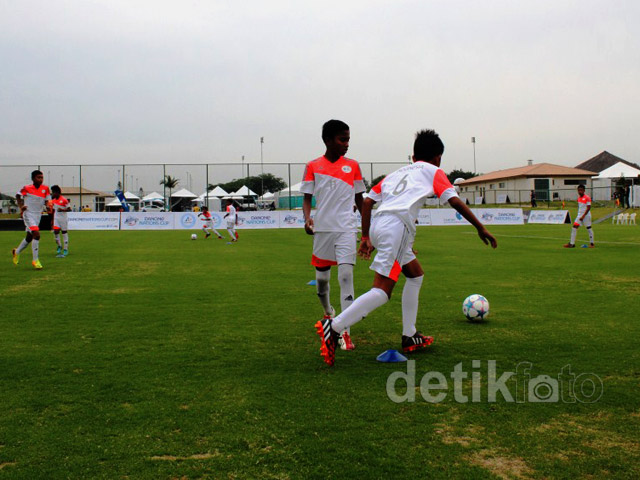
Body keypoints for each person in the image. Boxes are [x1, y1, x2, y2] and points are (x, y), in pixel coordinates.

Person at [315, 129, 498, 366]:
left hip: (382, 224)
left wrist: (367, 237)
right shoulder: (434, 171)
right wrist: (480, 227)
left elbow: (368, 201)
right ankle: (335, 326)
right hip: (397, 227)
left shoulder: (396, 173)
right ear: (438, 157)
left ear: (413, 157)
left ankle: (410, 335)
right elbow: (453, 199)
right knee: (382, 291)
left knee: (415, 275)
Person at [301, 120, 366, 352]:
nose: (347, 144)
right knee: (322, 282)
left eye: (348, 139)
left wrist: (366, 232)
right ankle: (329, 312)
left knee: (346, 276)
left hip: (347, 229)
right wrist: (307, 218)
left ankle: (344, 331)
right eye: (342, 139)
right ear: (328, 140)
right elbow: (307, 198)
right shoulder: (312, 166)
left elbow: (360, 198)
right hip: (322, 231)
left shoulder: (354, 166)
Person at [12, 170, 52, 270]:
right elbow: (17, 195)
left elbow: (47, 201)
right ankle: (35, 260)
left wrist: (47, 206)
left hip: (38, 215)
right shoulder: (26, 188)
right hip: (28, 214)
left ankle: (16, 252)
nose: (41, 179)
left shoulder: (45, 189)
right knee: (37, 235)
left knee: (29, 237)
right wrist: (21, 206)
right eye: (38, 177)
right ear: (33, 178)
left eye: (42, 177)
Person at [51, 185, 71, 257]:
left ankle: (65, 249)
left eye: (53, 192)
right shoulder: (53, 200)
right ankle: (59, 246)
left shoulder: (64, 200)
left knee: (64, 233)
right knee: (56, 232)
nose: (52, 194)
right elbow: (54, 210)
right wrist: (52, 220)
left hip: (63, 219)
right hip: (56, 218)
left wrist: (62, 210)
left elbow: (69, 209)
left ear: (57, 192)